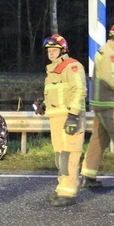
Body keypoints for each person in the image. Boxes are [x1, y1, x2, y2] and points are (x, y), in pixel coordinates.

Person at [36, 34, 87, 207]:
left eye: (54, 50)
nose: (51, 53)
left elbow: (79, 90)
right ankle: (62, 187)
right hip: (56, 118)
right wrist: (43, 105)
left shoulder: (71, 66)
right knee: (60, 157)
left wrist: (73, 115)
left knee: (70, 155)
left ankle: (68, 192)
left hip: (69, 118)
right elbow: (57, 93)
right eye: (49, 50)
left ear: (62, 50)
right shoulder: (51, 70)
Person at [79, 22, 114, 189]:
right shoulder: (111, 56)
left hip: (101, 104)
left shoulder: (106, 52)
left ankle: (88, 174)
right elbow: (113, 80)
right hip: (111, 104)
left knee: (98, 140)